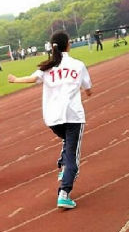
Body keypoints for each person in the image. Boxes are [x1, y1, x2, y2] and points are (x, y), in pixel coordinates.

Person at [8, 31, 92, 209]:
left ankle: (63, 165)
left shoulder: (48, 67)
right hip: (73, 116)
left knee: (67, 142)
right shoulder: (78, 65)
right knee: (73, 156)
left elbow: (32, 79)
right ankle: (64, 192)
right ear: (68, 44)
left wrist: (15, 80)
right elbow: (88, 88)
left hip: (53, 118)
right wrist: (87, 92)